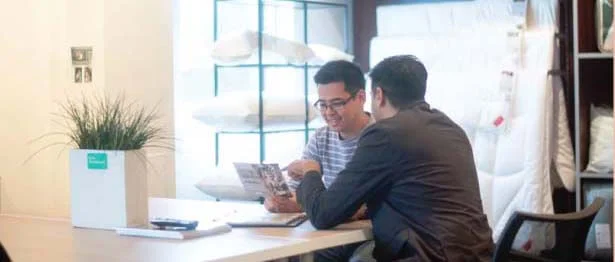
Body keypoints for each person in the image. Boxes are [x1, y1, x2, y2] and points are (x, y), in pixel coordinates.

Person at [291, 55, 494, 261]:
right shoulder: (451, 128)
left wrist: (310, 169)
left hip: (428, 255)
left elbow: (323, 214)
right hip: (477, 254)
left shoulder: (384, 134)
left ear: (378, 94)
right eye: (322, 105)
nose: (328, 112)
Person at [264, 60, 372, 215]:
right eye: (322, 105)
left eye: (337, 103)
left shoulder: (379, 138)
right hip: (329, 226)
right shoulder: (321, 137)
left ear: (361, 97)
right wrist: (279, 200)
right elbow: (297, 187)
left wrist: (305, 205)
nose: (329, 112)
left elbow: (366, 204)